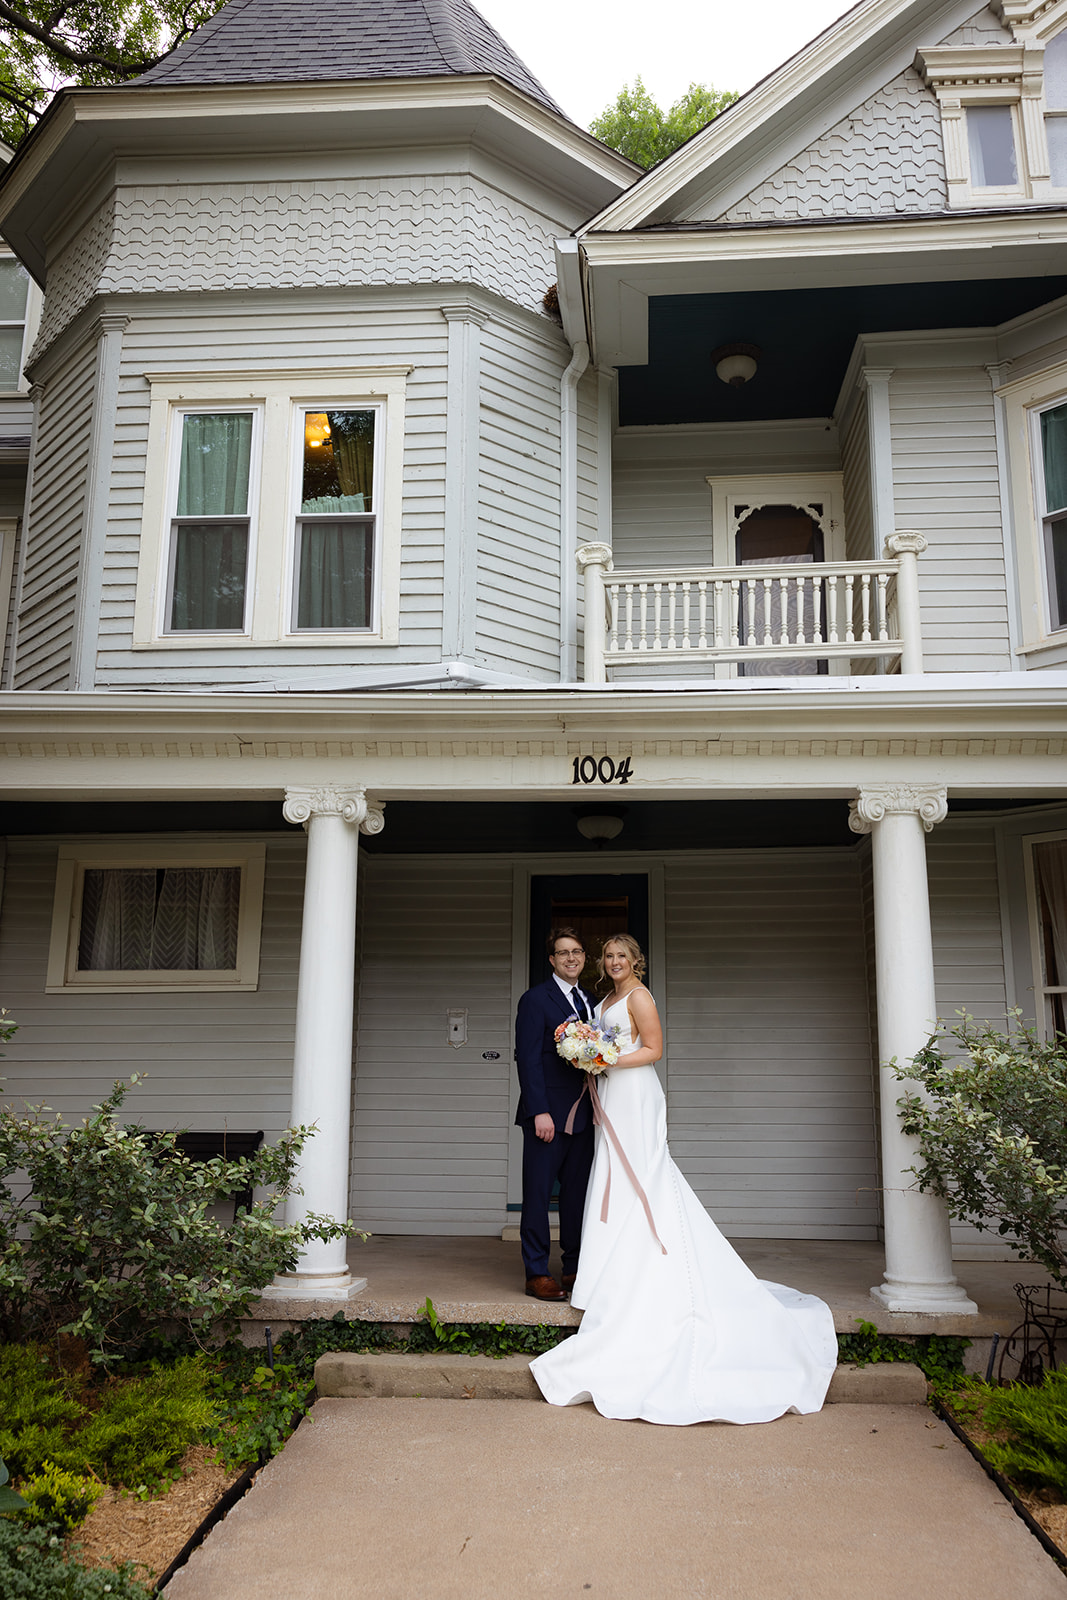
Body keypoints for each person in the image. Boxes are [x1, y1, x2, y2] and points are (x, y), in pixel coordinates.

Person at [529, 933, 838, 1425]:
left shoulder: (639, 996)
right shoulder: (602, 999)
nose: (613, 962)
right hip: (609, 1096)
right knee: (612, 1180)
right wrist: (593, 1059)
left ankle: (652, 1266)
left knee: (642, 1177)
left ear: (635, 961)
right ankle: (609, 1273)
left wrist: (605, 1059)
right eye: (607, 956)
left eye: (620, 956)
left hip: (634, 1093)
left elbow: (653, 1049)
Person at [514, 927, 597, 1301]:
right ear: (552, 960)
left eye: (577, 952)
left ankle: (574, 1268)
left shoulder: (591, 1001)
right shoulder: (535, 1000)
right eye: (563, 953)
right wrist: (539, 1112)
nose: (571, 958)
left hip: (583, 1116)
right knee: (537, 1195)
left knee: (577, 1197)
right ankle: (536, 1272)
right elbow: (528, 1059)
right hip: (547, 1117)